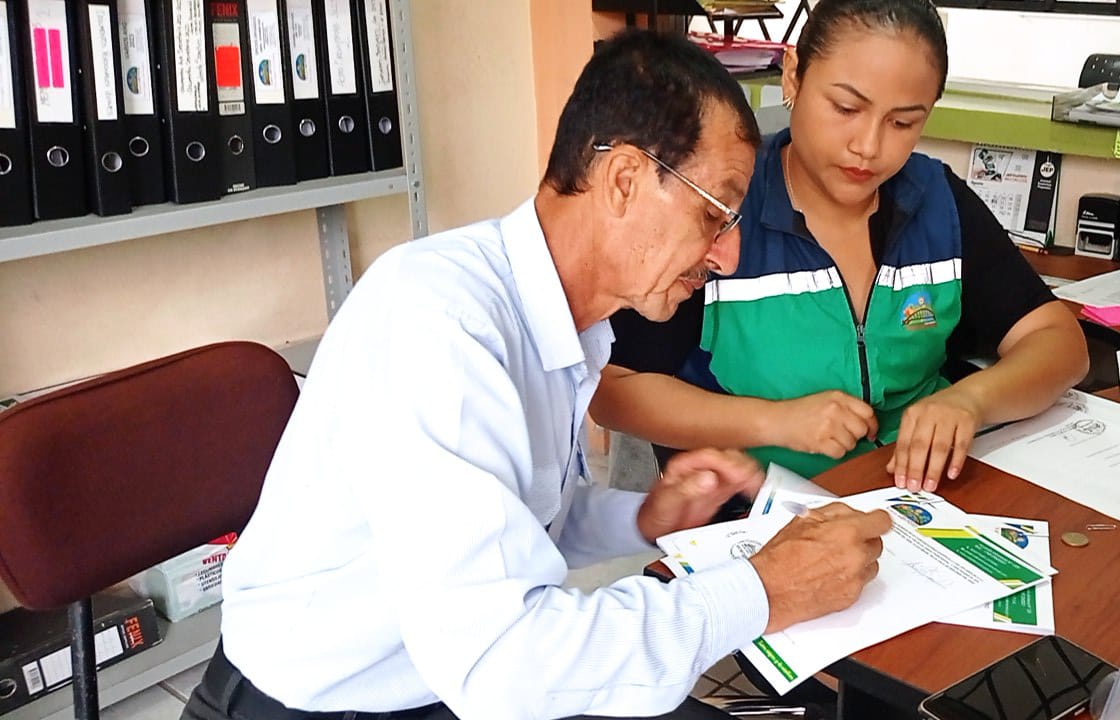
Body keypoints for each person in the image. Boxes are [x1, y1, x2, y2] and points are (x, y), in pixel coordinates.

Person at [181, 31, 891, 720]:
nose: (727, 256)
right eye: (716, 214)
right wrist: (763, 591)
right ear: (624, 180)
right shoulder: (441, 324)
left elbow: (515, 519)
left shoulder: (566, 323)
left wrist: (644, 519)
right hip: (323, 703)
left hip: (437, 676)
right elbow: (504, 666)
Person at [593, 0, 1089, 491]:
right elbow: (614, 390)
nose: (868, 146)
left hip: (917, 499)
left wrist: (971, 401)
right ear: (793, 76)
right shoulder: (721, 206)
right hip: (760, 509)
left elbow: (1057, 340)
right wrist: (775, 422)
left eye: (903, 122)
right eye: (846, 108)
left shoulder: (938, 203)